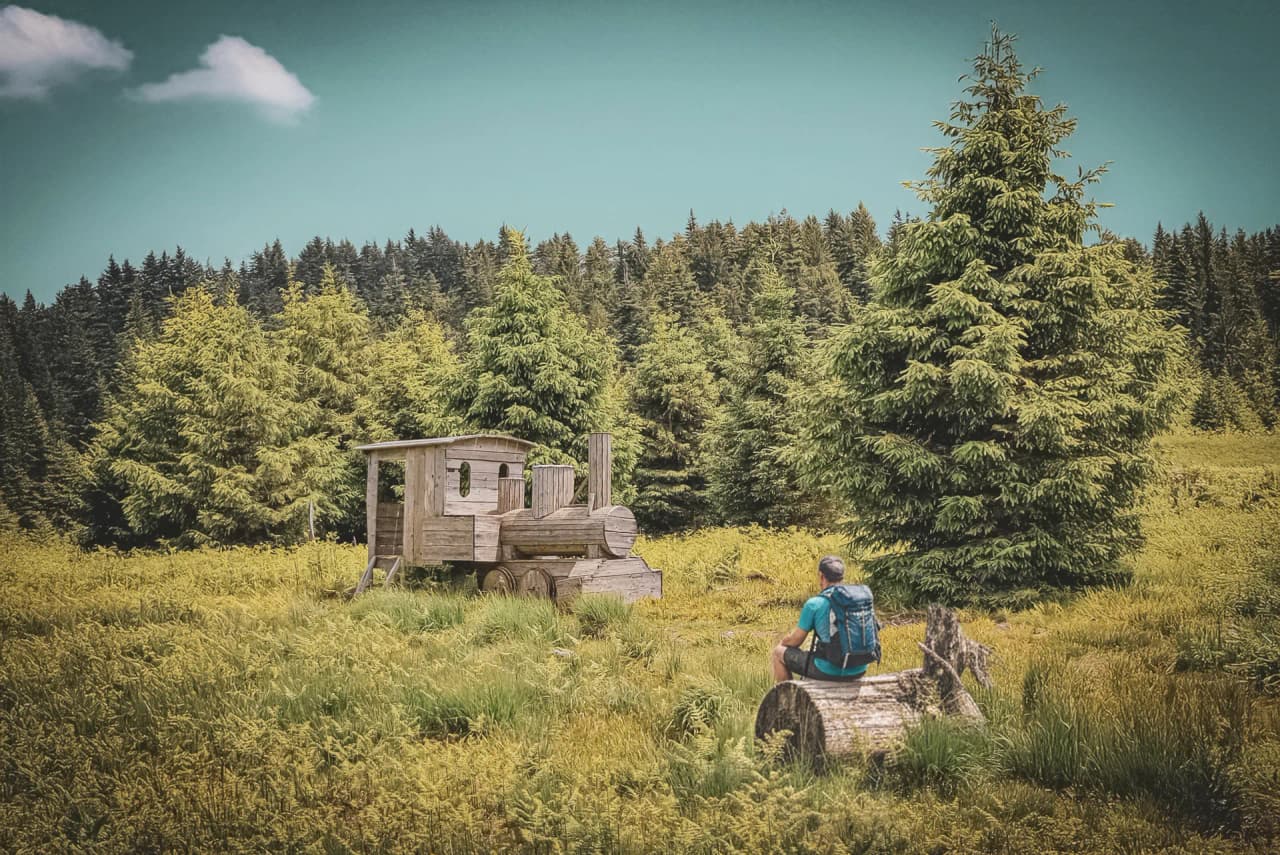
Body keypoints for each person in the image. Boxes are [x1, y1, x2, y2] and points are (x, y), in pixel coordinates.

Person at [771, 555, 870, 683]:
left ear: (821, 576)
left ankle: (787, 700)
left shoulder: (815, 604)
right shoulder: (857, 600)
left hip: (829, 670)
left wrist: (783, 642)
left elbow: (795, 641)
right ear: (842, 578)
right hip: (859, 669)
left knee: (778, 652)